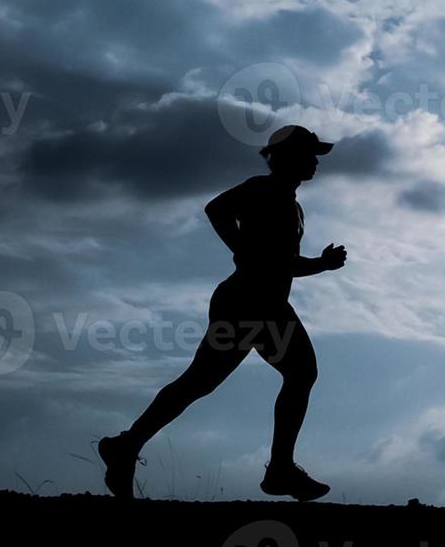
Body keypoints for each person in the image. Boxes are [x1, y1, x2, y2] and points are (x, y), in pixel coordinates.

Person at [97, 125, 347, 501]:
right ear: (286, 158)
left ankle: (128, 445)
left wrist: (319, 264)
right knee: (209, 381)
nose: (314, 162)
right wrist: (241, 247)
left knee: (218, 381)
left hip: (266, 305)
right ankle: (276, 470)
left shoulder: (292, 205)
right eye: (308, 154)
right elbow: (216, 209)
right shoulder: (261, 189)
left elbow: (283, 264)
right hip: (247, 303)